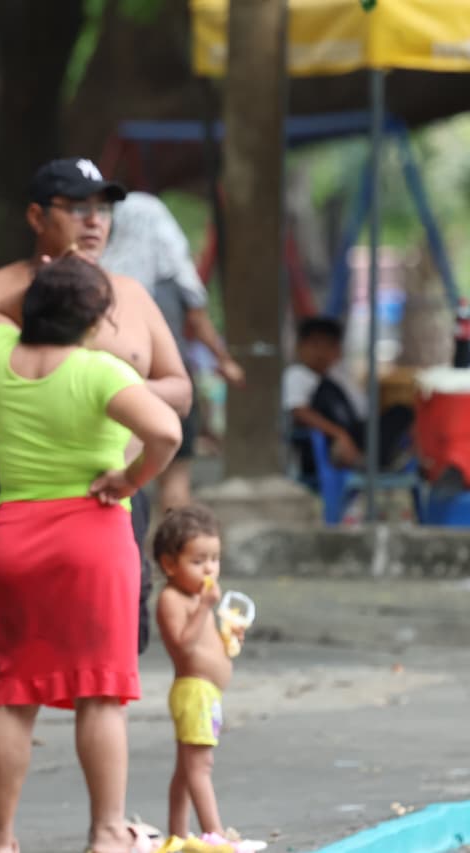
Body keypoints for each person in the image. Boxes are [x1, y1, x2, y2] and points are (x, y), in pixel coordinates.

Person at [0, 254, 181, 853]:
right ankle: (106, 833)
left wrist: (43, 284)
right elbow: (167, 431)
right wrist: (129, 480)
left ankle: (1, 840)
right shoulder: (100, 371)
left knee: (11, 692)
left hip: (13, 535)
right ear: (95, 318)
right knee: (101, 692)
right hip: (91, 536)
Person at [101, 191, 246, 511]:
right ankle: (174, 555)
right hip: (167, 383)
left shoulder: (96, 278)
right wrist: (224, 361)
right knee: (176, 478)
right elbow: (198, 317)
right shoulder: (174, 274)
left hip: (111, 387)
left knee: (117, 470)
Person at [153, 505, 264, 852]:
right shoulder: (173, 599)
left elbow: (206, 644)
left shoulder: (196, 598)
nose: (209, 569)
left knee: (187, 768)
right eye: (198, 561)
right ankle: (214, 835)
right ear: (170, 565)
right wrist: (203, 607)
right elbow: (183, 645)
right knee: (201, 766)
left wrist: (229, 638)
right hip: (194, 692)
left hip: (206, 692)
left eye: (214, 559)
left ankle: (177, 834)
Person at [283, 315, 413, 477]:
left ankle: (382, 459)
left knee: (401, 412)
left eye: (327, 346)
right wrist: (338, 434)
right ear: (300, 347)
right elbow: (299, 412)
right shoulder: (297, 375)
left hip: (353, 433)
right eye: (315, 345)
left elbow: (362, 412)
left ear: (337, 350)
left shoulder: (338, 376)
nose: (320, 353)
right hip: (326, 442)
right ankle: (369, 461)